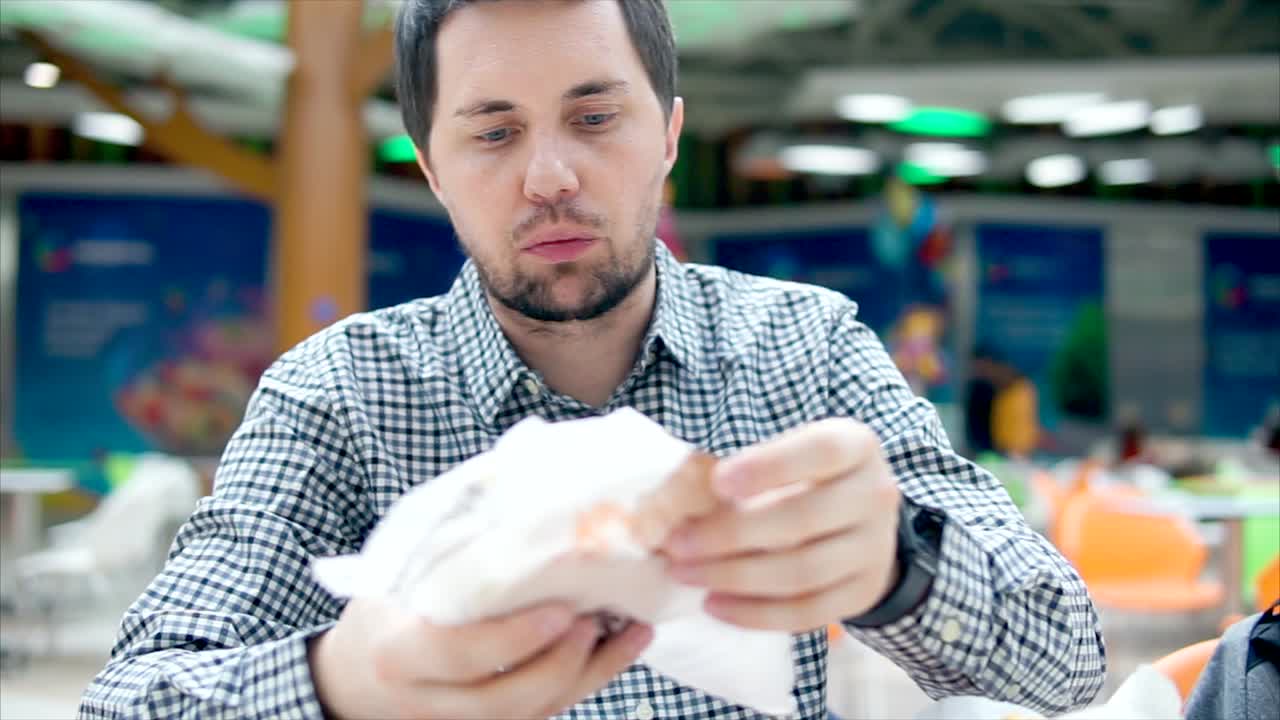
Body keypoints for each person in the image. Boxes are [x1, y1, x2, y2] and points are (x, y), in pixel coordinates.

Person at [79, 1, 1105, 718]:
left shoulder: (805, 348)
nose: (549, 177)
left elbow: (1066, 660)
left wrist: (894, 565)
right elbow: (132, 699)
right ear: (432, 169)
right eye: (493, 134)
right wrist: (342, 684)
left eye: (593, 116)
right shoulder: (337, 395)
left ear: (665, 134)